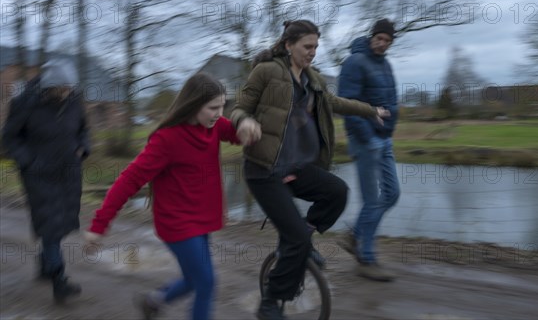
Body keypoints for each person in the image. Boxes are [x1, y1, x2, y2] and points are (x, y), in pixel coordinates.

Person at [232, 20, 389, 320]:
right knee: (297, 242)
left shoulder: (312, 79)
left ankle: (302, 238)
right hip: (264, 170)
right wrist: (244, 122)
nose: (312, 52)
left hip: (297, 167)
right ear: (289, 45)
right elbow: (239, 106)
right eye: (307, 47)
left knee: (337, 192)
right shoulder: (267, 71)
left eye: (316, 47)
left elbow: (335, 102)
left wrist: (371, 111)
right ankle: (270, 303)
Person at [84, 72, 260, 320]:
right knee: (206, 282)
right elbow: (129, 180)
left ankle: (153, 301)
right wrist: (99, 225)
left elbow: (235, 133)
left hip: (201, 220)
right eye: (213, 107)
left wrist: (245, 124)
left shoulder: (213, 126)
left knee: (193, 279)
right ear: (194, 105)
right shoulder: (167, 140)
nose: (220, 113)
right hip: (177, 224)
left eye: (222, 106)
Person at [2, 58, 91, 303]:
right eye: (61, 89)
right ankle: (58, 280)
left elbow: (83, 129)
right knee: (50, 222)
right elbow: (9, 138)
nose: (66, 93)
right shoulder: (25, 102)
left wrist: (83, 147)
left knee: (60, 222)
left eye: (69, 89)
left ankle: (44, 262)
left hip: (68, 172)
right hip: (38, 174)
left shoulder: (73, 100)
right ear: (48, 86)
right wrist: (29, 162)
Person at [337, 18, 401, 282]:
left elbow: (392, 101)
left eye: (387, 41)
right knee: (372, 200)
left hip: (384, 140)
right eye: (379, 38)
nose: (382, 44)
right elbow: (346, 105)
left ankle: (354, 235)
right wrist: (367, 136)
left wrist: (388, 131)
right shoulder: (354, 62)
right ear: (372, 35)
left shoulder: (385, 64)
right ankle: (367, 258)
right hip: (364, 140)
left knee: (392, 194)